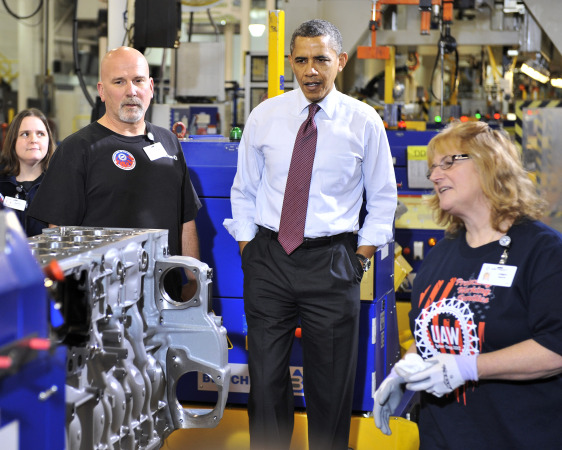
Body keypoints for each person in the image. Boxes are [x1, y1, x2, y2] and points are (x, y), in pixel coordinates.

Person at [224, 19, 397, 449]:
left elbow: (382, 198)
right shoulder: (265, 116)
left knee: (330, 382)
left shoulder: (364, 122)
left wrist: (359, 260)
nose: (311, 70)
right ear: (291, 64)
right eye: (301, 60)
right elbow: (244, 189)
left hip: (333, 262)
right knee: (264, 380)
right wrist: (249, 250)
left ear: (340, 61)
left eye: (321, 59)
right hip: (268, 258)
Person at [373, 121, 562, 448]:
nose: (434, 176)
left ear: (491, 163)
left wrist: (468, 366)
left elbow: (555, 348)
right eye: (433, 168)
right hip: (442, 438)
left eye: (448, 162)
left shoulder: (542, 252)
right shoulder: (438, 258)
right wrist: (404, 372)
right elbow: (425, 338)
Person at [27, 47, 201, 297]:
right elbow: (59, 234)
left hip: (164, 296)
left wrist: (193, 283)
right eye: (119, 82)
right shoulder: (77, 149)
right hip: (102, 302)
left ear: (151, 87)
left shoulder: (169, 143)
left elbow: (186, 222)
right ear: (101, 91)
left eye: (138, 80)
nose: (131, 91)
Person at [0, 108, 56, 237]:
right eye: (25, 134)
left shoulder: (60, 184)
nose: (33, 139)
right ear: (13, 141)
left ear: (49, 140)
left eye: (40, 134)